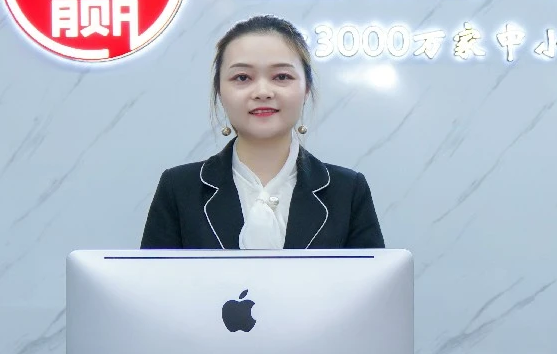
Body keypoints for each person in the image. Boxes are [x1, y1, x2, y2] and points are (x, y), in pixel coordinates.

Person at [138, 15, 384, 250]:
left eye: (282, 76)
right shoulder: (179, 189)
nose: (263, 92)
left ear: (306, 88)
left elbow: (373, 280)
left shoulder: (347, 191)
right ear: (219, 91)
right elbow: (154, 278)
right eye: (242, 77)